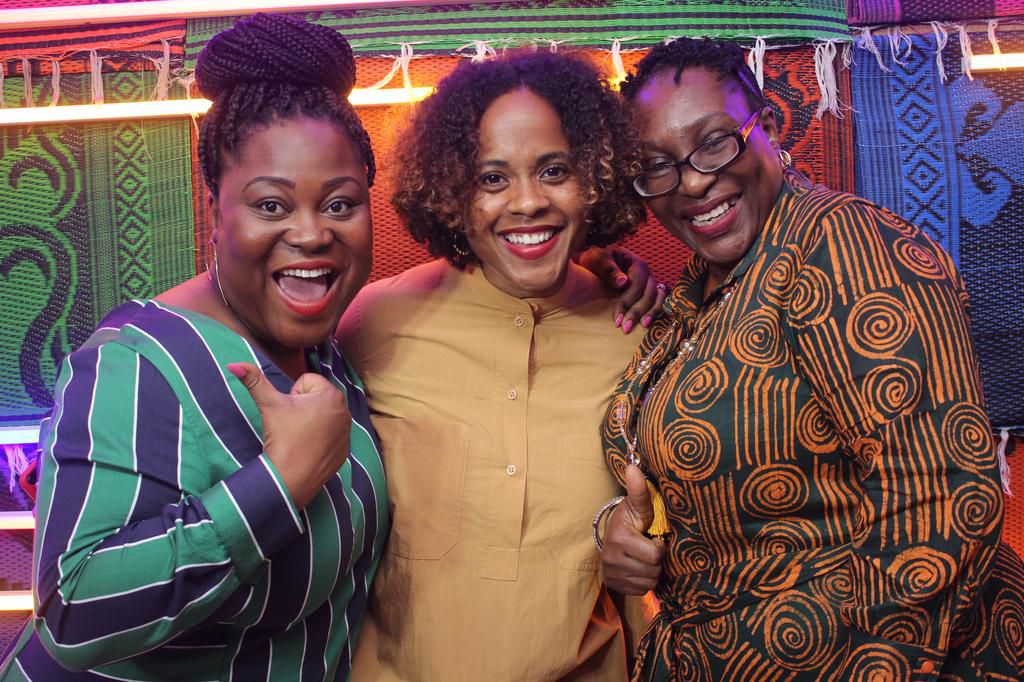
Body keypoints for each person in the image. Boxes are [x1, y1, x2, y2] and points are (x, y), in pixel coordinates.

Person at [598, 37, 1024, 680]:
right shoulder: (697, 289)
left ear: (768, 126)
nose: (690, 182)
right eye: (656, 165)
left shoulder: (843, 245)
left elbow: (940, 504)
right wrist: (625, 530)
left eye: (715, 142)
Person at [0, 14, 387, 681]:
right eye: (271, 206)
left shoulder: (328, 351)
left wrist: (617, 282)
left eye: (340, 204)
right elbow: (72, 613)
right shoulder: (136, 363)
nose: (312, 234)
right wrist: (283, 477)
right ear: (215, 210)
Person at [338, 51, 659, 680]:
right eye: (492, 178)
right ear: (451, 190)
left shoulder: (638, 335)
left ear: (595, 178)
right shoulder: (374, 324)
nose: (527, 202)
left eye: (555, 170)